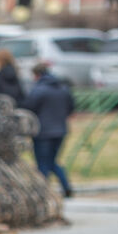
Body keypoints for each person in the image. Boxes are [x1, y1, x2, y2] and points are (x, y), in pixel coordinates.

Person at [21, 61, 76, 199]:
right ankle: (66, 186)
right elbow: (71, 107)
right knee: (52, 161)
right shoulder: (63, 88)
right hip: (61, 130)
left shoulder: (39, 90)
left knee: (42, 163)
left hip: (43, 132)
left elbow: (29, 107)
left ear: (36, 75)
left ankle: (42, 192)